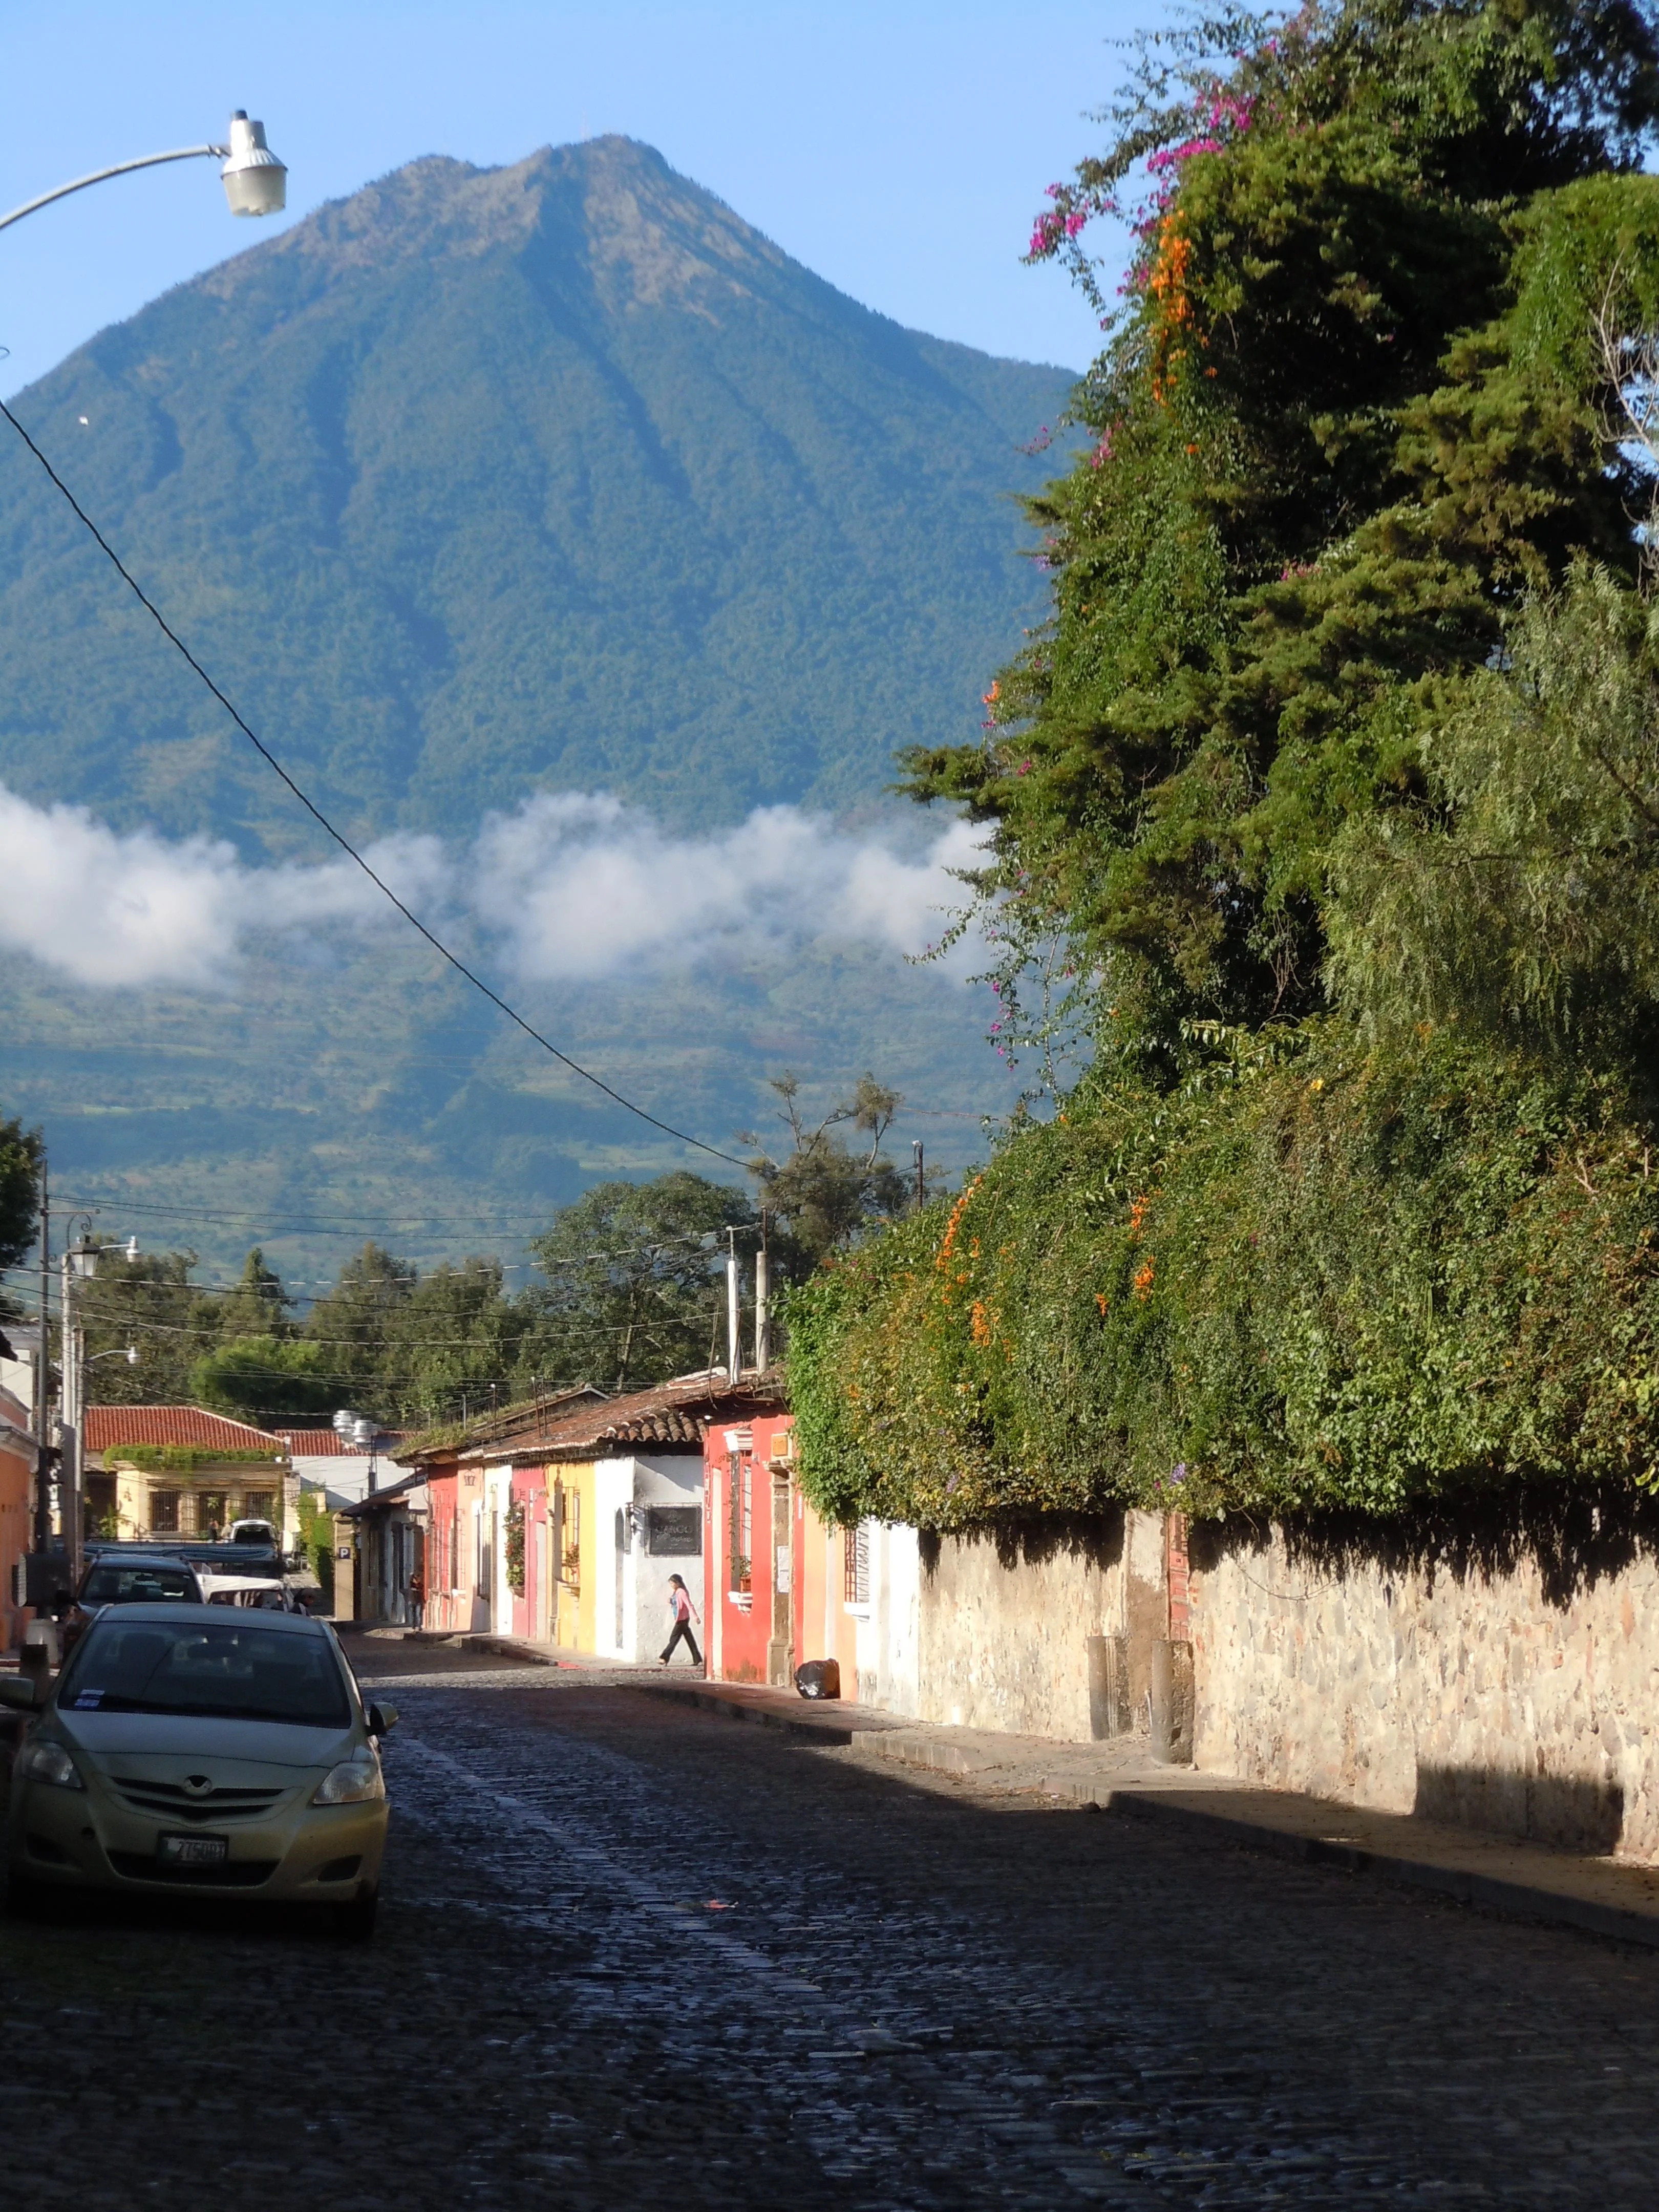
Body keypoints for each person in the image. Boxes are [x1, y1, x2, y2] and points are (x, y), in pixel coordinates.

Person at [660, 1573, 701, 1668]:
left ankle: (664, 1658)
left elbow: (689, 1605)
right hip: (681, 1619)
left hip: (682, 1619)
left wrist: (695, 1617)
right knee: (690, 1640)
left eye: (672, 1583)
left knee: (673, 1639)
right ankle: (697, 1659)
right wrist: (670, 1600)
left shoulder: (682, 1592)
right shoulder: (676, 1592)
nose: (671, 1585)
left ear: (677, 1583)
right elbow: (676, 1603)